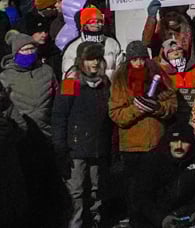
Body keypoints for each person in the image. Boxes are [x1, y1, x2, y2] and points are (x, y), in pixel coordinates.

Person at [109, 40, 178, 225]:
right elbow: (116, 115)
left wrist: (157, 107)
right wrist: (138, 109)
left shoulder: (159, 76)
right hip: (132, 147)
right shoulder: (120, 80)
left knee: (157, 191)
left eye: (142, 59)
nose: (139, 63)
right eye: (134, 60)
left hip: (156, 144)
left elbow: (172, 105)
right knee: (135, 195)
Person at [52, 41, 112, 228]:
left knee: (97, 188)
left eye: (97, 58)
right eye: (89, 59)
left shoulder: (105, 84)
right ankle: (74, 224)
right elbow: (60, 116)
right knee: (75, 191)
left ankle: (95, 221)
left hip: (98, 146)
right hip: (75, 147)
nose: (94, 63)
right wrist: (60, 146)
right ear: (81, 61)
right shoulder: (72, 83)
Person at [132, 123, 195, 228]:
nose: (179, 146)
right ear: (168, 142)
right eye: (175, 141)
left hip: (186, 211)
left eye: (184, 142)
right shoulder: (152, 160)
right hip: (158, 213)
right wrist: (161, 219)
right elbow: (141, 197)